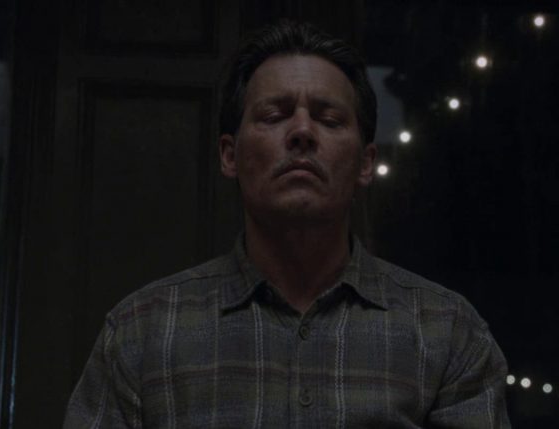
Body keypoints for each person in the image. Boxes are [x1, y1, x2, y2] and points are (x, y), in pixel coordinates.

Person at [64, 21, 509, 428]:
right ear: (229, 155)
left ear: (366, 163)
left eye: (329, 119)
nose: (302, 132)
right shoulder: (142, 332)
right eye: (274, 116)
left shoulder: (446, 331)